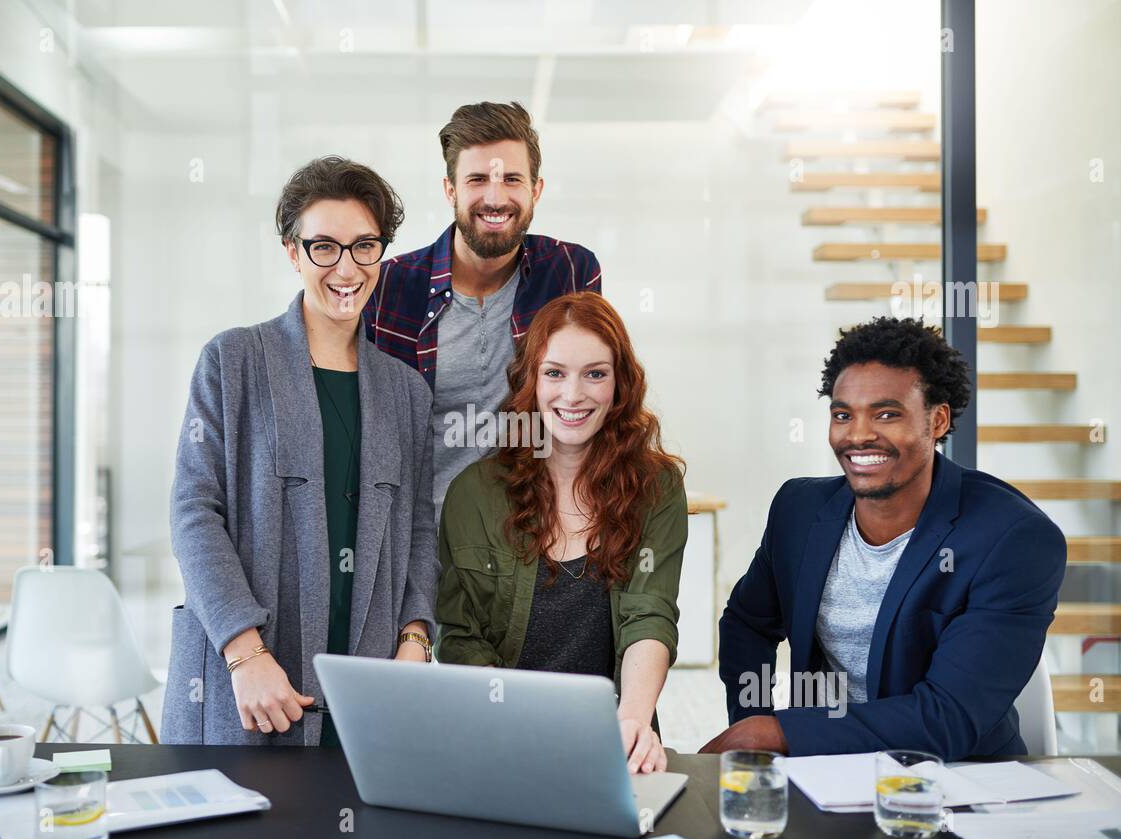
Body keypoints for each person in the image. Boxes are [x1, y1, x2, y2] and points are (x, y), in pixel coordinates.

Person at [163, 156, 438, 746]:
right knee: (243, 835)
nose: (347, 267)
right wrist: (244, 651)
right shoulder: (232, 361)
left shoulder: (406, 391)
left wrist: (416, 638)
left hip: (367, 684)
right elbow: (194, 512)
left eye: (365, 246)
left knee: (356, 832)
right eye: (324, 247)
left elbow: (419, 530)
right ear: (293, 252)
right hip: (256, 682)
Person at [703, 317, 1066, 760]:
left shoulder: (1013, 539)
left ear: (937, 421)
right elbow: (748, 623)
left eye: (886, 414)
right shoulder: (799, 509)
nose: (857, 435)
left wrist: (773, 733)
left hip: (960, 782)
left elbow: (947, 717)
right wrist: (750, 721)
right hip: (824, 768)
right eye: (842, 415)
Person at [435, 291, 687, 774]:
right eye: (555, 373)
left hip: (616, 740)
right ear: (531, 379)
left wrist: (634, 719)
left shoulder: (657, 487)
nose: (573, 395)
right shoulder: (473, 493)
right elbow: (461, 639)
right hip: (503, 738)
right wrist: (517, 732)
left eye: (595, 373)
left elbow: (649, 614)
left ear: (620, 384)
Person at [362, 101, 603, 516]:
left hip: (535, 541)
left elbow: (596, 405)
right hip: (420, 550)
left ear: (536, 190)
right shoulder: (387, 288)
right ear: (450, 190)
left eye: (511, 179)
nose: (495, 198)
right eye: (477, 179)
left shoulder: (570, 272)